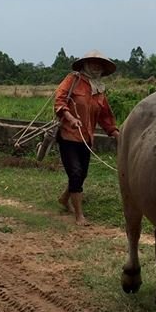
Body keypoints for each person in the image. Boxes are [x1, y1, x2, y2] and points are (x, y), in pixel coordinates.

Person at [53, 50, 119, 226]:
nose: (96, 66)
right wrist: (71, 118)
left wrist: (114, 132)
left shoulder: (99, 90)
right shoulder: (73, 80)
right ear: (85, 64)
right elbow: (59, 101)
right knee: (75, 173)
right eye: (92, 63)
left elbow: (105, 115)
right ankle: (79, 216)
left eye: (99, 64)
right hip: (68, 135)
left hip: (86, 138)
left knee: (82, 174)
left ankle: (65, 198)